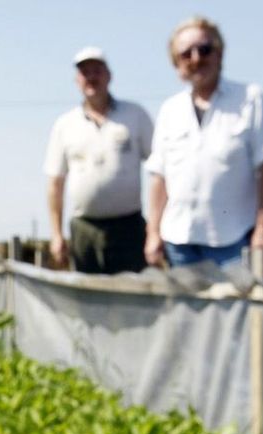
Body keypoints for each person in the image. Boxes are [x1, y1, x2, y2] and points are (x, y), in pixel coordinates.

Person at [144, 17, 263, 269]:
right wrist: (153, 233)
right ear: (176, 65)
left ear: (219, 54)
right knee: (185, 310)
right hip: (179, 243)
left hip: (235, 240)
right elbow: (159, 176)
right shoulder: (169, 109)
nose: (196, 58)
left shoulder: (250, 98)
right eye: (186, 53)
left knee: (239, 309)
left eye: (204, 49)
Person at [44, 47, 154, 274]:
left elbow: (160, 171)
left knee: (132, 298)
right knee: (87, 302)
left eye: (97, 71)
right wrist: (56, 234)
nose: (91, 77)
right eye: (85, 73)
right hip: (84, 229)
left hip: (130, 228)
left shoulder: (135, 115)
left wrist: (156, 226)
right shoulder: (65, 125)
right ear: (77, 80)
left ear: (109, 75)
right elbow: (55, 184)